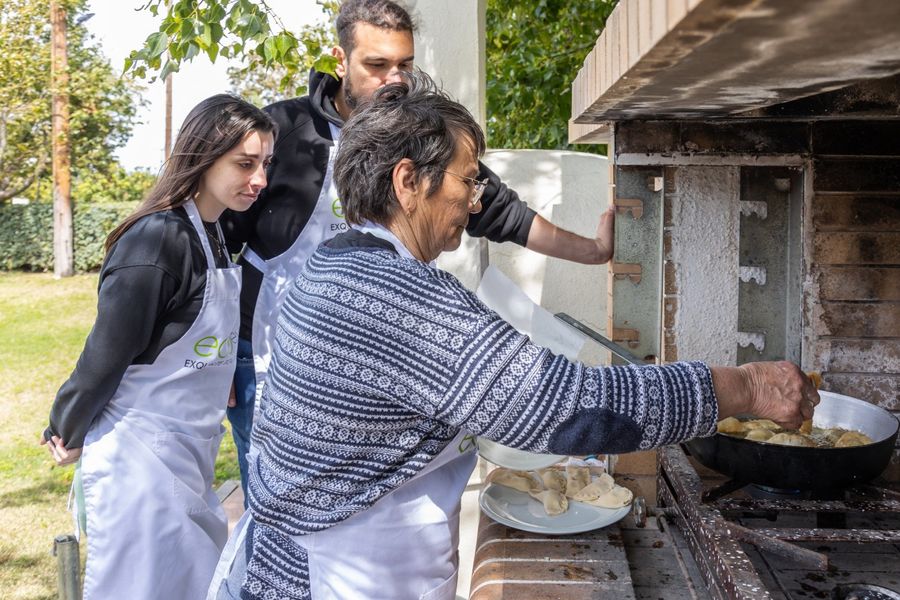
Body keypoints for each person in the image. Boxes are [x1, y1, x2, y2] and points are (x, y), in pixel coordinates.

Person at [208, 71, 818, 600]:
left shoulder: (340, 261)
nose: (475, 202)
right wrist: (744, 385)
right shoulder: (390, 294)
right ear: (407, 181)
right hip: (338, 574)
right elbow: (563, 408)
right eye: (467, 180)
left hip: (318, 554)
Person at [220, 0, 617, 500]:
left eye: (404, 64)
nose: (393, 79)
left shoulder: (422, 135)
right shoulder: (281, 133)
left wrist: (594, 251)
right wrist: (217, 354)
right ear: (340, 61)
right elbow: (218, 238)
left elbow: (501, 212)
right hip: (267, 351)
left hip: (375, 361)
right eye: (376, 65)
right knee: (275, 491)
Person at [40, 94, 276, 600]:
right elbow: (106, 354)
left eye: (265, 164)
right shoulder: (157, 241)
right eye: (245, 163)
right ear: (203, 155)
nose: (259, 179)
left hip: (189, 454)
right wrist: (66, 426)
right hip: (138, 460)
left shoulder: (213, 234)